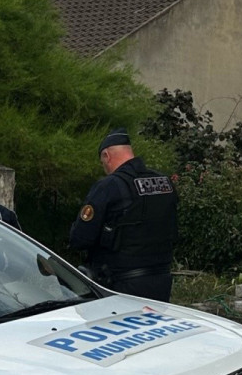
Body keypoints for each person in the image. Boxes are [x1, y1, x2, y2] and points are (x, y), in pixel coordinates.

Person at [69, 128, 178, 301]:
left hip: (121, 285)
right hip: (161, 281)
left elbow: (81, 238)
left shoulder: (109, 186)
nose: (103, 167)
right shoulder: (164, 182)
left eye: (102, 162)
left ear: (107, 155)